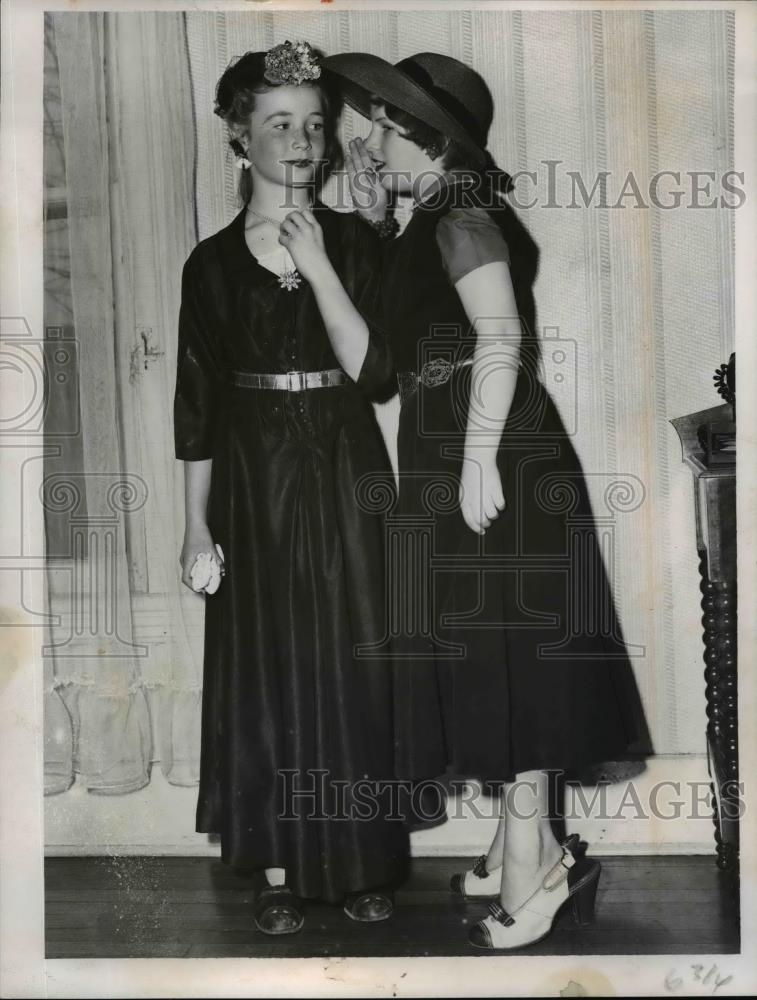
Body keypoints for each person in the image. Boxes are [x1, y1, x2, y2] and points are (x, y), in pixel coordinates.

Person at [322, 50, 652, 950]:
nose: (363, 140)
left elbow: (499, 335)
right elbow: (385, 366)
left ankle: (528, 873)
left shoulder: (464, 209)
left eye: (377, 126)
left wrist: (477, 457)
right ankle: (532, 842)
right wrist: (367, 223)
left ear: (412, 131)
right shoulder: (428, 215)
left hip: (494, 450)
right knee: (493, 662)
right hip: (452, 446)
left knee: (516, 666)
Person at [173, 41, 408, 936]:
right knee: (265, 665)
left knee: (356, 657)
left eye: (314, 123)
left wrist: (321, 263)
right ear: (240, 136)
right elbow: (195, 407)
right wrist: (196, 528)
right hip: (251, 476)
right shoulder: (209, 265)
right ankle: (275, 863)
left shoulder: (354, 241)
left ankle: (360, 860)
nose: (301, 140)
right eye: (279, 123)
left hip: (348, 468)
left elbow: (379, 372)